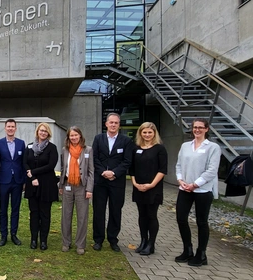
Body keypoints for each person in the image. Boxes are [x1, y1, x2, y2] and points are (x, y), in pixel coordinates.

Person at [175, 118, 220, 266]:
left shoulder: (213, 147)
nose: (197, 130)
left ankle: (201, 254)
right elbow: (179, 165)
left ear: (206, 129)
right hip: (185, 188)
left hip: (202, 190)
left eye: (201, 127)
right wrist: (181, 180)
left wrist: (195, 184)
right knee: (181, 218)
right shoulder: (185, 146)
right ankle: (187, 250)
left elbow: (212, 170)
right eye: (195, 127)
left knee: (202, 222)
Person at [92, 113, 134, 252]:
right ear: (106, 124)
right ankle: (98, 240)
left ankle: (113, 239)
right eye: (111, 122)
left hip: (117, 182)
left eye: (116, 123)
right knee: (99, 211)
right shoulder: (98, 139)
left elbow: (127, 161)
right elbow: (95, 158)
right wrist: (103, 172)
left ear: (119, 125)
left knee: (115, 211)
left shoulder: (126, 141)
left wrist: (114, 173)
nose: (113, 125)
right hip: (100, 181)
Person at [130, 122, 167, 256]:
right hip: (138, 187)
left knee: (152, 216)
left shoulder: (159, 149)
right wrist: (135, 183)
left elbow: (162, 170)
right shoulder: (136, 148)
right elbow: (132, 169)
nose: (147, 135)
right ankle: (143, 241)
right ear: (140, 133)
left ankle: (151, 244)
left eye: (149, 132)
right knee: (142, 216)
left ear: (154, 133)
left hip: (153, 188)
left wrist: (151, 185)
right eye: (144, 132)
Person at [58, 126, 93, 255]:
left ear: (80, 136)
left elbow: (91, 171)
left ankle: (80, 244)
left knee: (82, 216)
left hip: (82, 187)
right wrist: (61, 186)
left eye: (75, 135)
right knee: (66, 215)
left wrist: (89, 189)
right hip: (67, 185)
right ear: (68, 137)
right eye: (71, 136)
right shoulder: (64, 150)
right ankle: (66, 242)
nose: (73, 138)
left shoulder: (87, 150)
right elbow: (62, 169)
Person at [23, 123, 59, 250]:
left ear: (48, 133)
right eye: (41, 130)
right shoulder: (29, 146)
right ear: (37, 132)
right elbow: (25, 163)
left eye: (45, 131)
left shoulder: (52, 148)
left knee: (45, 213)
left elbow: (50, 165)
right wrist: (32, 177)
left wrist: (34, 172)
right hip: (32, 184)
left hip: (46, 185)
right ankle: (33, 239)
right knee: (34, 213)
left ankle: (43, 240)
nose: (43, 133)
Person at [0, 119, 26, 246]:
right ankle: (3, 235)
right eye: (9, 126)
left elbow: (23, 163)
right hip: (3, 181)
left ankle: (13, 234)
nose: (11, 128)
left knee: (15, 209)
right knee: (3, 209)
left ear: (16, 128)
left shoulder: (21, 143)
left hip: (17, 181)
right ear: (5, 128)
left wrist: (24, 181)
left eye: (13, 126)